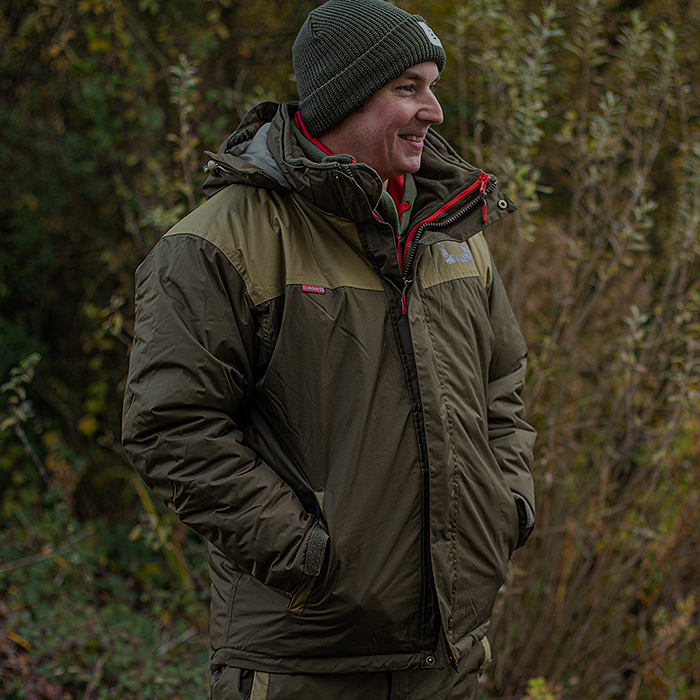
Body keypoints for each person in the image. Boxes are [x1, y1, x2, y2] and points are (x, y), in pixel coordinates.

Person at [122, 0, 536, 698]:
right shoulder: (219, 242)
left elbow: (503, 384)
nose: (433, 110)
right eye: (408, 87)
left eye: (433, 86)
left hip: (449, 659)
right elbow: (171, 428)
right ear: (345, 97)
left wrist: (507, 506)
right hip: (302, 662)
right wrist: (310, 556)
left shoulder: (453, 229)